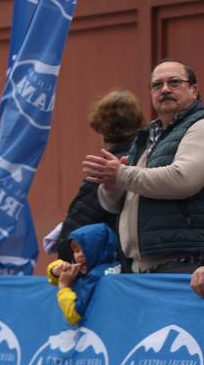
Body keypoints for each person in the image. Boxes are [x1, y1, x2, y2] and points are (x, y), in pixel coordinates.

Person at [84, 59, 204, 274]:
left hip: (186, 264)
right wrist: (111, 184)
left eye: (174, 82)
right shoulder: (146, 137)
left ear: (194, 90)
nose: (165, 89)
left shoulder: (200, 126)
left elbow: (184, 179)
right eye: (157, 85)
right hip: (142, 268)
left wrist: (122, 174)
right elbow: (113, 205)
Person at [49, 89, 144, 262]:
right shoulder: (147, 160)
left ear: (101, 128)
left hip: (110, 269)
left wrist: (63, 259)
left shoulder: (104, 170)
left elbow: (74, 230)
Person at [45, 223, 120, 325]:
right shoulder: (98, 267)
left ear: (98, 248)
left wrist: (63, 287)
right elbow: (56, 276)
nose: (79, 255)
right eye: (75, 250)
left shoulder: (96, 275)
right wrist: (55, 270)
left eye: (84, 249)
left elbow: (74, 314)